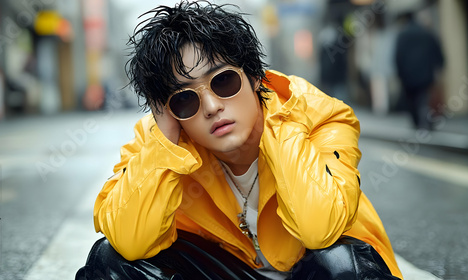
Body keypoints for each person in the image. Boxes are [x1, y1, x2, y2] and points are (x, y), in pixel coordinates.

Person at [76, 1, 403, 279]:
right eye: (185, 100)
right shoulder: (162, 141)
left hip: (313, 271)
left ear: (255, 76)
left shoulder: (319, 117)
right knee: (109, 260)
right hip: (237, 271)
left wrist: (281, 120)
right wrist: (164, 142)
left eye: (225, 81)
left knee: (339, 265)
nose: (212, 106)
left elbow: (320, 229)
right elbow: (130, 242)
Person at [394, 11, 444, 130]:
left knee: (412, 101)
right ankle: (426, 121)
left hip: (408, 76)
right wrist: (440, 66)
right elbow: (437, 52)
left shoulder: (402, 35)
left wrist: (399, 74)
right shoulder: (426, 33)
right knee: (424, 99)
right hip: (425, 74)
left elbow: (398, 56)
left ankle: (417, 123)